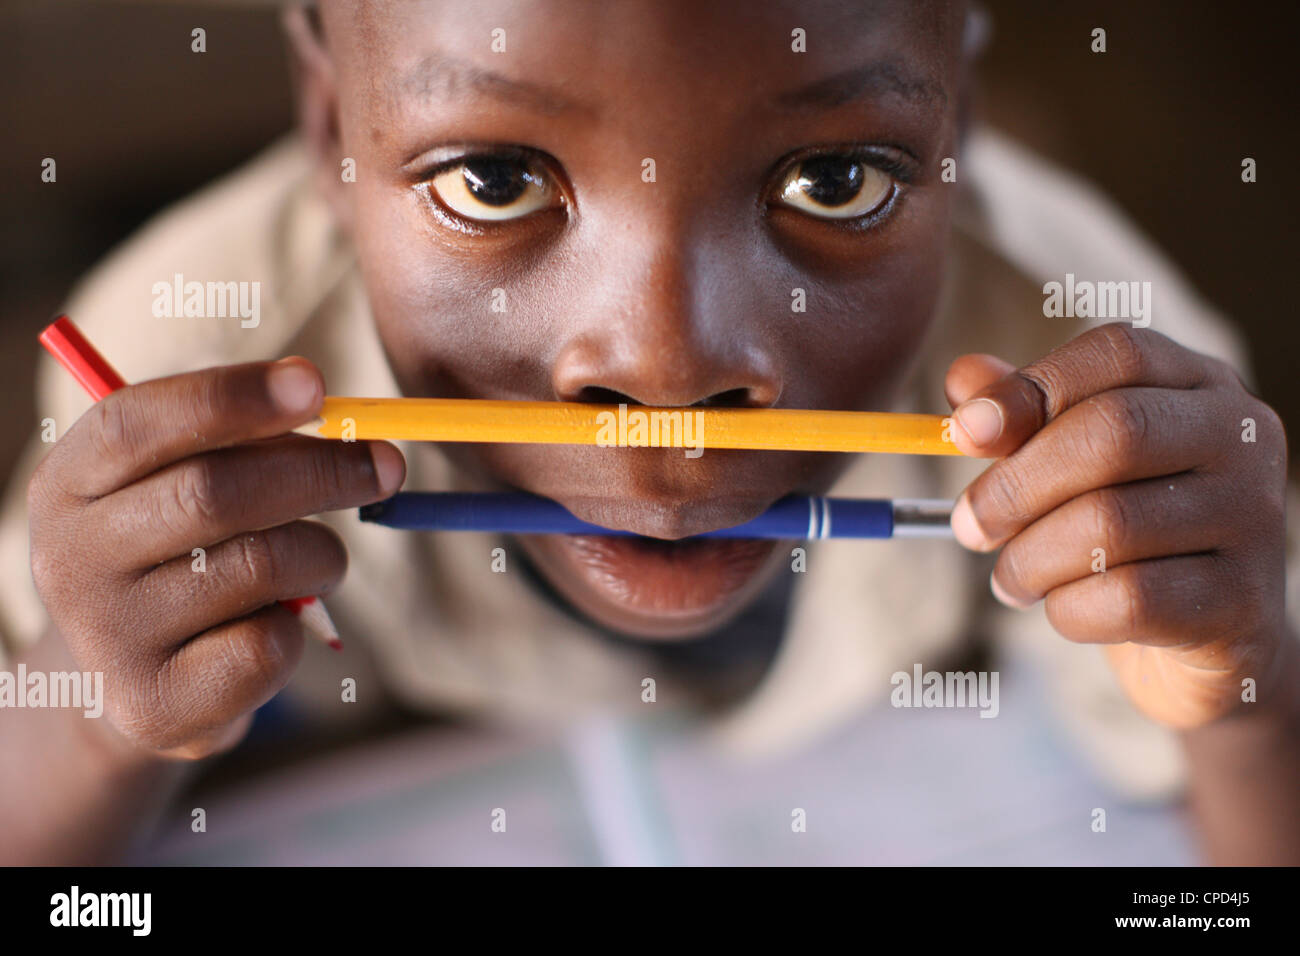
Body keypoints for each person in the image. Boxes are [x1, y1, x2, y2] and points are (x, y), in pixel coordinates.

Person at [1, 0, 1296, 864]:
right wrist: (95, 723)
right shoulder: (171, 372)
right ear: (333, 122)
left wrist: (1240, 696)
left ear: (955, 106)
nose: (669, 368)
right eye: (496, 180)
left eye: (835, 180)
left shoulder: (1083, 356)